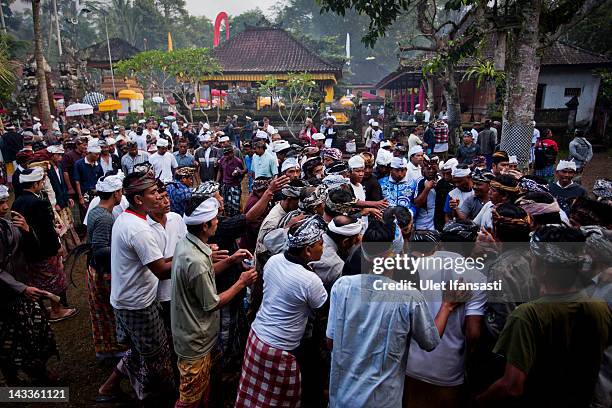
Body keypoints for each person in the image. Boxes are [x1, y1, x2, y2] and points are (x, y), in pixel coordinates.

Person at [476, 225, 612, 407]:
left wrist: (476, 401)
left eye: (533, 259)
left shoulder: (527, 315)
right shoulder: (600, 307)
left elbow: (512, 386)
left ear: (543, 268)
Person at [172, 196, 258, 408]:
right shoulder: (198, 261)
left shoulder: (187, 244)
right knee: (189, 398)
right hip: (195, 339)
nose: (218, 221)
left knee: (202, 389)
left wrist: (230, 260)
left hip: (191, 331)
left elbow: (204, 274)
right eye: (215, 219)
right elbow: (212, 303)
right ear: (205, 225)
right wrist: (241, 282)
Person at [97, 172, 175, 403]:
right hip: (137, 304)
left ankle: (108, 387)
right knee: (156, 358)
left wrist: (190, 253)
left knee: (140, 349)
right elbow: (161, 270)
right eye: (153, 192)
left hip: (128, 299)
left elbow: (156, 260)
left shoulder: (128, 218)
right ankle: (153, 397)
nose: (160, 195)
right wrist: (197, 259)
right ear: (139, 200)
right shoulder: (139, 229)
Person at [236, 216, 328, 407]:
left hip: (257, 339)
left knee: (253, 399)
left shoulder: (274, 260)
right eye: (320, 243)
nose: (323, 248)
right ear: (308, 250)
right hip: (281, 351)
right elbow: (323, 314)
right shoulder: (310, 281)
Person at [404, 221, 486, 408]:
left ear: (441, 243)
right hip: (448, 367)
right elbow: (473, 333)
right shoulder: (476, 277)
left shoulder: (415, 267)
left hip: (411, 362)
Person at [0, 188, 59, 385]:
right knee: (9, 341)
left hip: (22, 291)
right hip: (6, 297)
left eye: (5, 201)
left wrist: (27, 231)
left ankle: (38, 372)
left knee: (35, 333)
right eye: (0, 204)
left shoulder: (9, 225)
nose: (5, 207)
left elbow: (33, 250)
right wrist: (21, 288)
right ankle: (14, 379)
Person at [11, 167, 77, 322]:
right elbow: (47, 231)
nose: (42, 184)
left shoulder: (17, 202)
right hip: (45, 251)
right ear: (35, 184)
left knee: (35, 281)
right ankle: (56, 310)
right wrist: (57, 246)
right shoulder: (38, 203)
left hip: (28, 251)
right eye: (41, 182)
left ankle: (42, 309)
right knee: (55, 280)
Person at [85, 171, 126, 362]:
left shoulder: (96, 211)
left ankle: (108, 349)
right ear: (116, 194)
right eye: (120, 192)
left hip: (97, 269)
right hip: (103, 272)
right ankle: (112, 350)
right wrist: (123, 249)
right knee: (109, 312)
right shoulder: (105, 218)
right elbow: (100, 249)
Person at [310, 215, 362, 289]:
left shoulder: (316, 234)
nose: (359, 239)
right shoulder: (335, 265)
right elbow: (341, 289)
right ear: (345, 242)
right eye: (356, 239)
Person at [73, 140, 103, 216]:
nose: (98, 156)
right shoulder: (79, 164)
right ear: (89, 153)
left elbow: (101, 179)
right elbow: (77, 181)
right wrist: (80, 197)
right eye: (96, 154)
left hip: (96, 194)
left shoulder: (98, 164)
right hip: (85, 194)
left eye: (98, 154)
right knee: (85, 215)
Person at [217, 147, 246, 217]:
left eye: (228, 154)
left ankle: (235, 219)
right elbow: (220, 171)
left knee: (235, 205)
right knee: (226, 205)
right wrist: (217, 182)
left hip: (234, 186)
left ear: (232, 153)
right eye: (225, 154)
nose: (226, 156)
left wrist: (238, 174)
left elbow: (243, 172)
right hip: (225, 185)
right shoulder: (222, 160)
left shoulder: (238, 161)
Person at [413, 157, 438, 230]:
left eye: (433, 168)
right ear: (422, 170)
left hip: (435, 224)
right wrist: (427, 189)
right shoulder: (420, 182)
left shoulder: (439, 181)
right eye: (428, 169)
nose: (431, 171)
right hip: (421, 224)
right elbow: (417, 203)